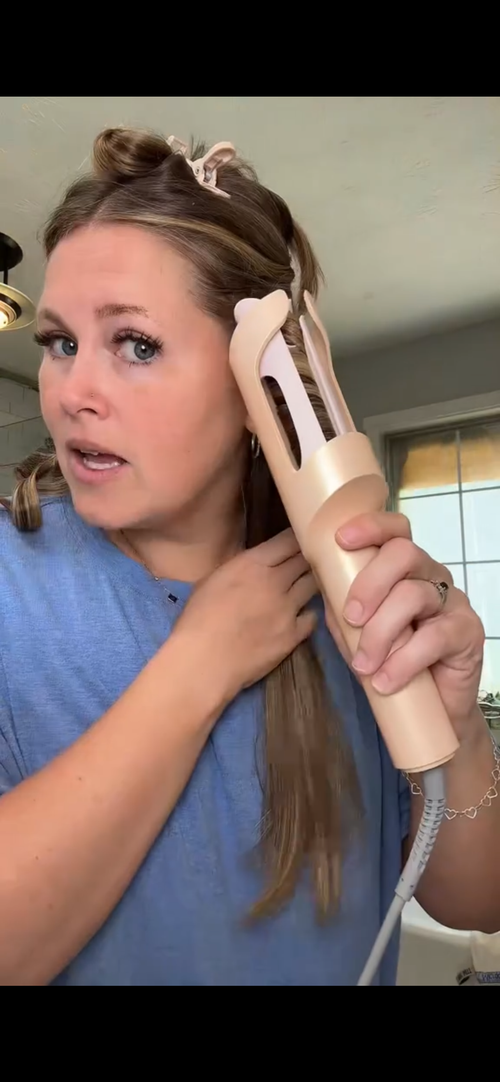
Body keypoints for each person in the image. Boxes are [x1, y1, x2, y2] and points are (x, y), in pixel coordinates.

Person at [0, 127, 497, 988]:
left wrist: (456, 733)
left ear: (259, 381)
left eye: (136, 344)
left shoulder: (351, 593)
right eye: (60, 342)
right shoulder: (15, 585)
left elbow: (475, 901)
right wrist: (199, 666)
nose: (72, 393)